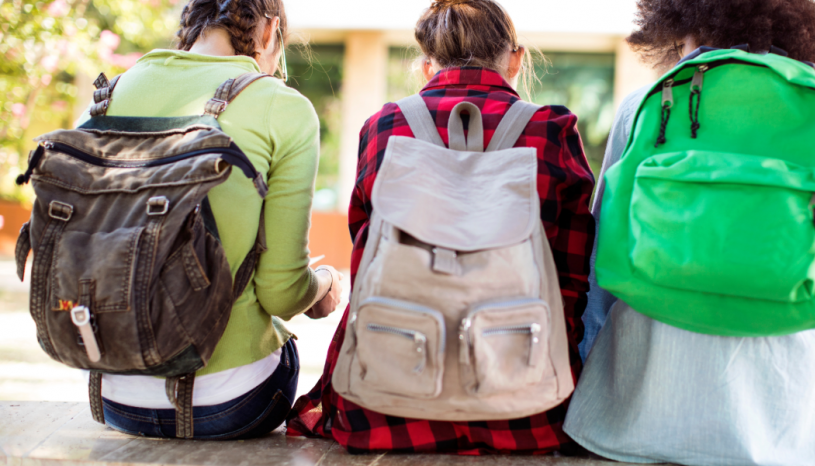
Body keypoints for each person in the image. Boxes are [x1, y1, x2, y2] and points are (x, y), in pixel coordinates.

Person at [564, 1, 815, 465]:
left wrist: (588, 378)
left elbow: (600, 272)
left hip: (630, 421)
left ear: (681, 19)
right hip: (791, 431)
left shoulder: (645, 108)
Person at [287, 0, 596, 454]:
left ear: (427, 66)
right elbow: (571, 285)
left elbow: (367, 254)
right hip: (524, 407)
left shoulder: (385, 128)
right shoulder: (552, 130)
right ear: (516, 59)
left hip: (386, 402)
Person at [75, 0, 343, 440]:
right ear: (269, 31)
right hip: (229, 403)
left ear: (189, 24)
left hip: (112, 395)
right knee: (283, 344)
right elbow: (280, 294)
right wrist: (326, 284)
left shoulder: (107, 97)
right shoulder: (282, 105)